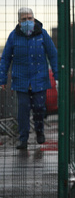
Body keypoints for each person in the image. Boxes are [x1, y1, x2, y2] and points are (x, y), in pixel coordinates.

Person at [0, 8, 58, 150]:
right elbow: (5, 59)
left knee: (39, 107)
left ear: (34, 19)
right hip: (21, 80)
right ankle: (23, 139)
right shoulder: (13, 36)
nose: (27, 21)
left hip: (39, 78)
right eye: (24, 19)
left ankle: (39, 130)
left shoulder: (42, 34)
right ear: (19, 22)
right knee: (23, 110)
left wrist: (57, 74)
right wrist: (2, 79)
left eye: (30, 18)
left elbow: (53, 55)